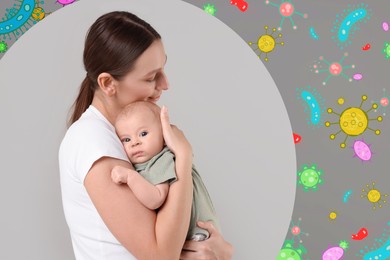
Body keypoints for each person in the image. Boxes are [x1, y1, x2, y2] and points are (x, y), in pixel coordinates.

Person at [58, 11, 233, 260]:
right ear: (108, 83)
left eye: (162, 70)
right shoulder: (93, 140)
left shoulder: (123, 136)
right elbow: (161, 255)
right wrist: (183, 156)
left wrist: (223, 251)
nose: (165, 84)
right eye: (151, 77)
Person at [111, 101, 221, 242]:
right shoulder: (144, 163)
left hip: (199, 233)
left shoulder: (162, 159)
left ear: (164, 137)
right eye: (126, 139)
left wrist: (129, 176)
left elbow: (156, 198)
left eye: (143, 133)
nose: (135, 142)